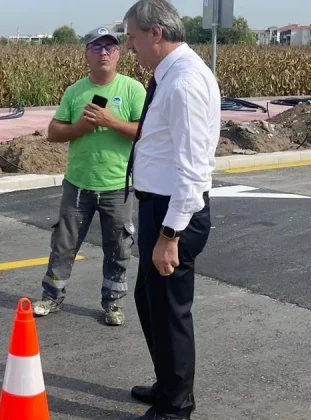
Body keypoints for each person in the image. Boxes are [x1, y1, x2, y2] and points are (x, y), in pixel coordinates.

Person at [123, 0, 221, 418]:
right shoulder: (170, 75)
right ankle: (169, 384)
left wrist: (169, 235)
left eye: (131, 38)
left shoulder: (183, 82)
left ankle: (176, 405)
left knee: (169, 309)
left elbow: (194, 168)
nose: (130, 47)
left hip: (173, 215)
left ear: (155, 33)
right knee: (150, 300)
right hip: (159, 208)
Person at [31, 27, 146, 326]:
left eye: (110, 47)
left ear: (119, 54)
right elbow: (54, 133)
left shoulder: (133, 90)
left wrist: (110, 121)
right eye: (97, 47)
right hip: (78, 184)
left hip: (117, 185)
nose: (104, 53)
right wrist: (80, 128)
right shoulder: (75, 91)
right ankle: (52, 296)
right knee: (63, 244)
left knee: (118, 247)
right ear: (86, 54)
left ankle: (113, 304)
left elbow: (144, 131)